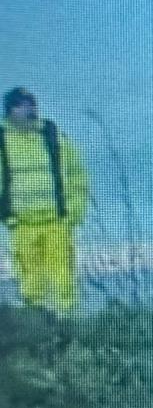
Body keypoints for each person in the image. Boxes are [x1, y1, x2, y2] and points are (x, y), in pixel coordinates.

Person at [1, 88, 89, 314]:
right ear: (10, 110)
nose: (30, 109)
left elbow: (77, 174)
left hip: (56, 223)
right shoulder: (2, 141)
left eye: (31, 103)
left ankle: (67, 324)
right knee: (30, 282)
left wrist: (74, 212)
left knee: (63, 280)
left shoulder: (52, 135)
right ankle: (36, 324)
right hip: (22, 225)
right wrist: (7, 218)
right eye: (22, 104)